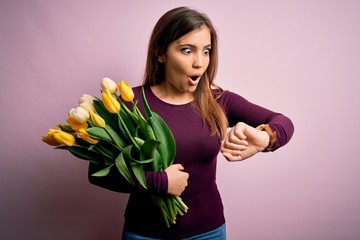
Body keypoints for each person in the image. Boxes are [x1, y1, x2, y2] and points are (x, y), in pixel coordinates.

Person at [88, 6, 294, 240]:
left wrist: (266, 138)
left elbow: (283, 122)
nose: (199, 62)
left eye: (206, 51)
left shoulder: (218, 100)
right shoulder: (129, 103)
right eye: (187, 50)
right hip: (145, 233)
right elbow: (97, 173)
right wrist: (158, 181)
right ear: (160, 53)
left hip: (208, 232)